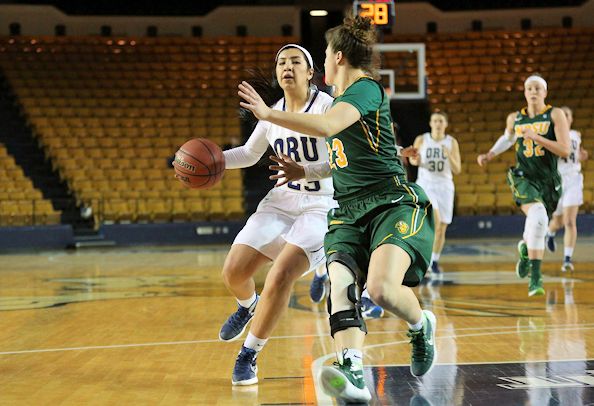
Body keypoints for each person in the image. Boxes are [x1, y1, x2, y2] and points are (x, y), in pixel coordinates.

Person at [239, 14, 437, 403]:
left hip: (389, 204)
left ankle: (420, 323)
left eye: (326, 55)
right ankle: (353, 371)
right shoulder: (341, 102)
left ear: (339, 58)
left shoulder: (363, 90)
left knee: (379, 290)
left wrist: (268, 113)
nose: (324, 62)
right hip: (347, 210)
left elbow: (328, 127)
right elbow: (339, 157)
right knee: (341, 290)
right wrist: (306, 169)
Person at [219, 44, 337, 386]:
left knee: (280, 275)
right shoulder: (273, 112)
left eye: (295, 61)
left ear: (310, 72)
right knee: (233, 272)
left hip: (321, 205)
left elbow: (346, 162)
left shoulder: (329, 109)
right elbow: (249, 153)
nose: (287, 66)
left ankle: (249, 354)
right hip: (281, 202)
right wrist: (214, 160)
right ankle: (247, 305)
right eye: (281, 62)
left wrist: (308, 171)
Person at [477, 74, 570, 297]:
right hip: (523, 177)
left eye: (538, 88)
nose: (533, 92)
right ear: (525, 92)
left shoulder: (555, 114)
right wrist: (490, 154)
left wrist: (538, 137)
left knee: (538, 223)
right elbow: (508, 138)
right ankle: (535, 279)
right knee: (538, 217)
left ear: (545, 93)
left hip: (548, 180)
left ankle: (525, 249)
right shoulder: (515, 118)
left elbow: (565, 150)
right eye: (529, 88)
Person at [409, 112, 461, 277]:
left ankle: (434, 261)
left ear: (446, 124)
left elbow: (457, 169)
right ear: (431, 123)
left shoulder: (451, 142)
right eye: (435, 121)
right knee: (436, 221)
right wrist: (415, 160)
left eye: (441, 121)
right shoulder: (422, 139)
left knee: (442, 228)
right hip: (426, 184)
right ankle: (420, 258)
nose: (438, 124)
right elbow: (412, 160)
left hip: (445, 186)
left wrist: (448, 156)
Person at [545, 106, 588, 271]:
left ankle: (567, 259)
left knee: (570, 221)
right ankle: (550, 233)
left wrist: (583, 156)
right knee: (559, 222)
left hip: (573, 180)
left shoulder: (576, 135)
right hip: (556, 181)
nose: (564, 117)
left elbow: (579, 155)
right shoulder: (551, 136)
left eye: (567, 114)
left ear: (570, 119)